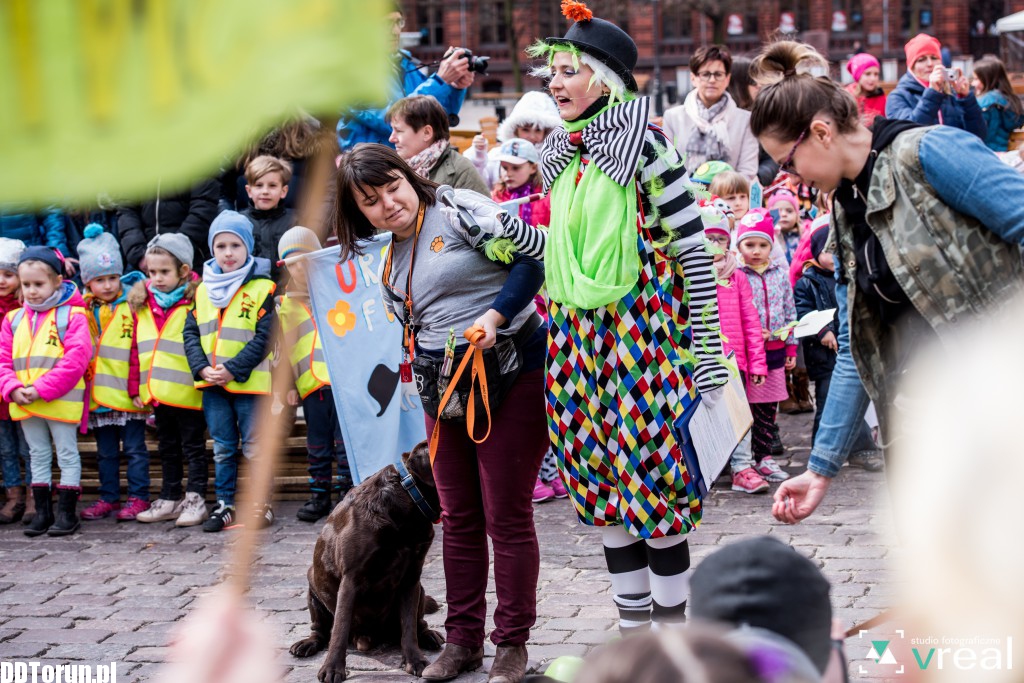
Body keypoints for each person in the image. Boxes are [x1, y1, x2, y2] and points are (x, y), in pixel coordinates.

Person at [749, 41, 1024, 524]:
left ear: (821, 132)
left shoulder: (927, 152)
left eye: (789, 163)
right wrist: (821, 468)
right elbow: (860, 346)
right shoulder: (842, 209)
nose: (790, 178)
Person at [527, 1, 727, 638]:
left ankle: (672, 639)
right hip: (577, 348)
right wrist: (499, 232)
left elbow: (693, 248)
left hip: (645, 351)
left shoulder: (648, 150)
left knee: (657, 494)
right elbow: (558, 250)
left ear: (601, 80)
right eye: (550, 73)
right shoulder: (562, 155)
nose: (553, 84)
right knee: (600, 487)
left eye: (566, 71)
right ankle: (634, 637)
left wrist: (711, 353)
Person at [334, 144, 547, 683]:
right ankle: (462, 642)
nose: (387, 203)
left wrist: (496, 314)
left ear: (409, 178)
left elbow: (531, 260)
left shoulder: (459, 212)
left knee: (507, 517)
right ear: (358, 210)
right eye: (370, 199)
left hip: (509, 372)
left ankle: (512, 645)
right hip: (443, 391)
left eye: (391, 187)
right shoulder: (387, 256)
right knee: (457, 519)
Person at [183, 212, 277, 533]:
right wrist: (202, 368)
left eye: (235, 245)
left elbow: (266, 336)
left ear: (248, 248)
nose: (227, 253)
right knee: (223, 447)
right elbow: (191, 333)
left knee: (253, 447)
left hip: (249, 383)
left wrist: (232, 369)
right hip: (212, 385)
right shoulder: (202, 290)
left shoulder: (263, 288)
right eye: (220, 245)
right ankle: (225, 504)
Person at [0, 247, 93, 537]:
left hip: (58, 400)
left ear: (56, 281)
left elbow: (76, 359)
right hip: (24, 400)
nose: (31, 291)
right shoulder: (13, 320)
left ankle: (67, 512)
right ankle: (42, 511)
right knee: (37, 453)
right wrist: (12, 388)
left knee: (66, 453)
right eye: (26, 284)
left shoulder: (74, 315)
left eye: (38, 284)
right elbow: (3, 359)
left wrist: (40, 389)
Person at [131, 234, 211, 527]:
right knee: (167, 447)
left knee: (193, 447)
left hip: (189, 393)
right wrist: (135, 388)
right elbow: (134, 350)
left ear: (184, 271)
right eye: (152, 272)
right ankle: (169, 496)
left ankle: (196, 498)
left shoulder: (196, 302)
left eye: (164, 272)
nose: (157, 278)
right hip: (158, 393)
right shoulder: (142, 304)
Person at [76, 225, 152, 523]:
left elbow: (137, 348)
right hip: (98, 396)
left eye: (112, 278)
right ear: (88, 282)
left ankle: (139, 496)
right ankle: (108, 497)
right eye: (99, 280)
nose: (107, 286)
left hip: (127, 393)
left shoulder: (133, 304)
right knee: (105, 452)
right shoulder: (82, 310)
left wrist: (139, 387)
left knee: (135, 449)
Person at [277, 226, 353, 522]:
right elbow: (284, 350)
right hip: (310, 385)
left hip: (341, 382)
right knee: (317, 443)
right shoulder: (285, 305)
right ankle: (319, 495)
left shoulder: (337, 294)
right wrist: (290, 383)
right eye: (292, 262)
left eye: (305, 259)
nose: (299, 267)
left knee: (344, 442)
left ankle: (347, 494)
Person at [336, 9, 475, 151]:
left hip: (407, 165)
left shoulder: (405, 63)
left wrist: (455, 87)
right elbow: (393, 121)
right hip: (371, 168)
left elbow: (434, 116)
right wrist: (440, 80)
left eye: (398, 22)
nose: (395, 31)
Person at [702, 205, 769, 494]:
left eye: (720, 239)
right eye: (708, 238)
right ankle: (708, 467)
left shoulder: (737, 276)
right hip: (702, 359)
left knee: (739, 415)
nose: (715, 245)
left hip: (734, 360)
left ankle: (742, 467)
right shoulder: (687, 275)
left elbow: (751, 322)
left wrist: (757, 363)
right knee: (707, 416)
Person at [737, 209, 796, 482]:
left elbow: (790, 312)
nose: (756, 251)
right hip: (748, 354)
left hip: (774, 352)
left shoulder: (780, 275)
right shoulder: (737, 276)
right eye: (750, 245)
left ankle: (765, 456)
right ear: (739, 246)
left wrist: (791, 348)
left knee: (768, 408)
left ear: (771, 246)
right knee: (746, 407)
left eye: (762, 245)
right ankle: (744, 459)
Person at [663, 45, 759, 179]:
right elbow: (667, 167)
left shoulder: (745, 120)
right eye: (706, 74)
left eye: (718, 74)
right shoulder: (673, 118)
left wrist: (721, 195)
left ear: (727, 79)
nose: (712, 80)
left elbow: (747, 172)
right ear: (693, 78)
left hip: (729, 196)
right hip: (685, 197)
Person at [885, 34, 986, 139]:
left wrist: (966, 99)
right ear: (911, 67)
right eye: (921, 59)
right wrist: (932, 93)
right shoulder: (898, 96)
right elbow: (909, 134)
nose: (929, 64)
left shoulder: (951, 93)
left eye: (934, 58)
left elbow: (979, 135)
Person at [386, 95, 489, 194]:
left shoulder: (462, 171)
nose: (391, 138)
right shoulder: (396, 169)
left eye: (398, 131)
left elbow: (486, 211)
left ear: (427, 133)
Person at [117, 178, 221, 274]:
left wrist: (175, 252)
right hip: (146, 264)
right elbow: (126, 210)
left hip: (191, 261)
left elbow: (203, 208)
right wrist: (139, 254)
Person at [464, 91, 562, 187]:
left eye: (538, 130)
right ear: (515, 130)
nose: (532, 136)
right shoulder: (499, 155)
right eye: (525, 130)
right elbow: (480, 183)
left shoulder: (554, 159)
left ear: (546, 132)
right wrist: (478, 156)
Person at [0, 238, 30, 524]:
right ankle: (13, 495)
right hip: (0, 393)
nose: (2, 280)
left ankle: (34, 495)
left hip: (21, 389)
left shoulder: (24, 309)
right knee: (6, 448)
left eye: (8, 274)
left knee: (27, 445)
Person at [241, 155, 297, 285]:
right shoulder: (240, 223)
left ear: (283, 191)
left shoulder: (295, 222)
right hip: (248, 294)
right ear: (249, 191)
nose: (265, 191)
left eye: (272, 185)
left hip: (285, 294)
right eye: (259, 185)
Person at [490, 139, 551, 230]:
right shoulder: (495, 196)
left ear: (533, 168)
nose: (508, 173)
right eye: (504, 168)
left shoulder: (546, 197)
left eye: (516, 168)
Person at [972, 57, 1024, 152]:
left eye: (976, 79)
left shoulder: (985, 103)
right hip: (1002, 150)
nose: (973, 83)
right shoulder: (1008, 100)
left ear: (988, 79)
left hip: (986, 152)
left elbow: (982, 135)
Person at [844, 53, 886, 127]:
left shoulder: (881, 96)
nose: (873, 78)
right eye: (868, 74)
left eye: (876, 74)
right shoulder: (847, 96)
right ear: (858, 76)